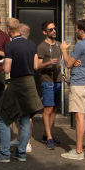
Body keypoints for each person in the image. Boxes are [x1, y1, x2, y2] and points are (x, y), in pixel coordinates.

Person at [0, 21, 43, 163]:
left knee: (3, 117)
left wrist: (3, 62)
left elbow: (7, 69)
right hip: (30, 82)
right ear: (18, 28)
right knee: (25, 117)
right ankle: (21, 153)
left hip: (17, 82)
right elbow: (36, 65)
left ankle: (5, 154)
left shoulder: (10, 45)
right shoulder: (31, 44)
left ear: (8, 30)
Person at [61, 18, 85, 159]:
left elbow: (68, 64)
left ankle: (78, 151)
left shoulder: (80, 45)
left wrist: (64, 50)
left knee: (79, 116)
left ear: (81, 31)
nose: (76, 31)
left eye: (77, 29)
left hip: (78, 84)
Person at [36, 20, 64, 149]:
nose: (54, 31)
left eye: (54, 28)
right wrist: (48, 63)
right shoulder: (42, 46)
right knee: (48, 108)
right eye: (50, 29)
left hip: (58, 80)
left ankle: (46, 134)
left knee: (55, 108)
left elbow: (62, 62)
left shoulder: (58, 45)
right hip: (47, 80)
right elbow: (37, 66)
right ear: (44, 32)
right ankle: (49, 138)